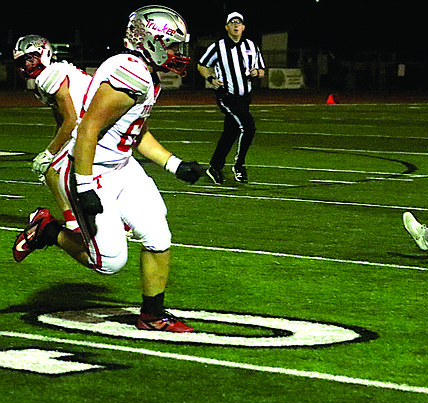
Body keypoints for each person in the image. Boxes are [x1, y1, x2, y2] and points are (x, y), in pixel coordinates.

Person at [12, 5, 202, 333]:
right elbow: (87, 129)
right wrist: (84, 185)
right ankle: (47, 229)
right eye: (170, 45)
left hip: (122, 167)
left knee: (158, 235)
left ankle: (153, 314)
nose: (176, 53)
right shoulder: (130, 72)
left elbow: (133, 130)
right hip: (92, 169)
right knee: (109, 262)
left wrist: (173, 163)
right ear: (149, 41)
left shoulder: (141, 71)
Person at [13, 34, 92, 231]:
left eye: (30, 58)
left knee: (51, 170)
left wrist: (49, 154)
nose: (27, 65)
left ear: (44, 53)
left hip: (89, 125)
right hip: (94, 124)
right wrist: (52, 150)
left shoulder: (49, 75)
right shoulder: (53, 73)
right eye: (23, 61)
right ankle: (122, 223)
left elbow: (71, 119)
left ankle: (73, 222)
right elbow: (62, 121)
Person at [197, 11, 265, 184]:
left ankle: (215, 167)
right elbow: (202, 65)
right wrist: (211, 79)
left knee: (231, 132)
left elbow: (262, 71)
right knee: (248, 127)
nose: (236, 25)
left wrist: (256, 72)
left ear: (243, 27)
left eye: (239, 23)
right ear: (227, 27)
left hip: (245, 96)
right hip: (227, 95)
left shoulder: (251, 45)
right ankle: (239, 165)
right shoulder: (218, 47)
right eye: (232, 23)